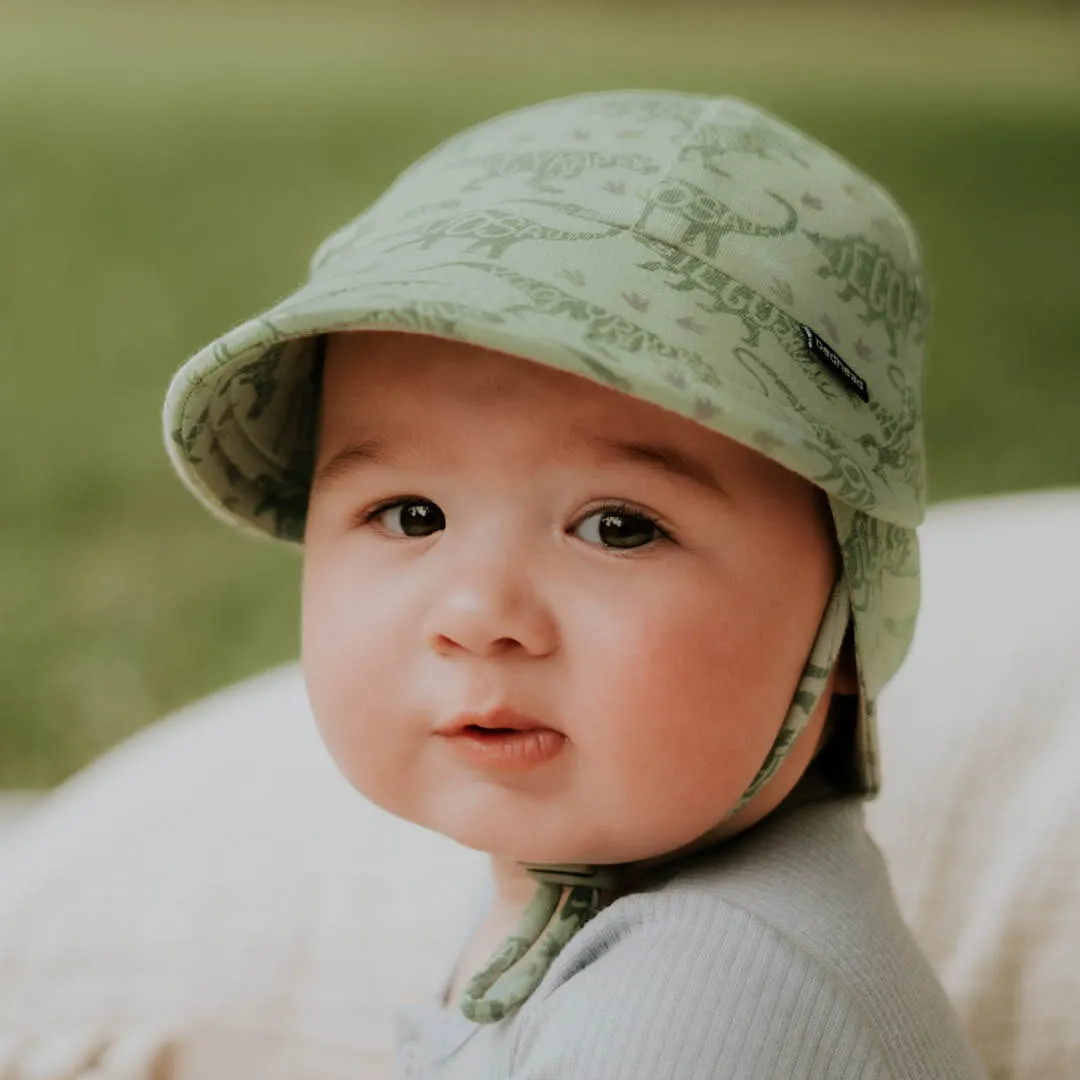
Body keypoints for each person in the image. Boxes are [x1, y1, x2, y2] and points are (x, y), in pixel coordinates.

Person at [163, 90, 989, 1078]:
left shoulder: (704, 1002)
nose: (478, 617)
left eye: (618, 527)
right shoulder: (578, 880)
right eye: (411, 514)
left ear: (846, 619)